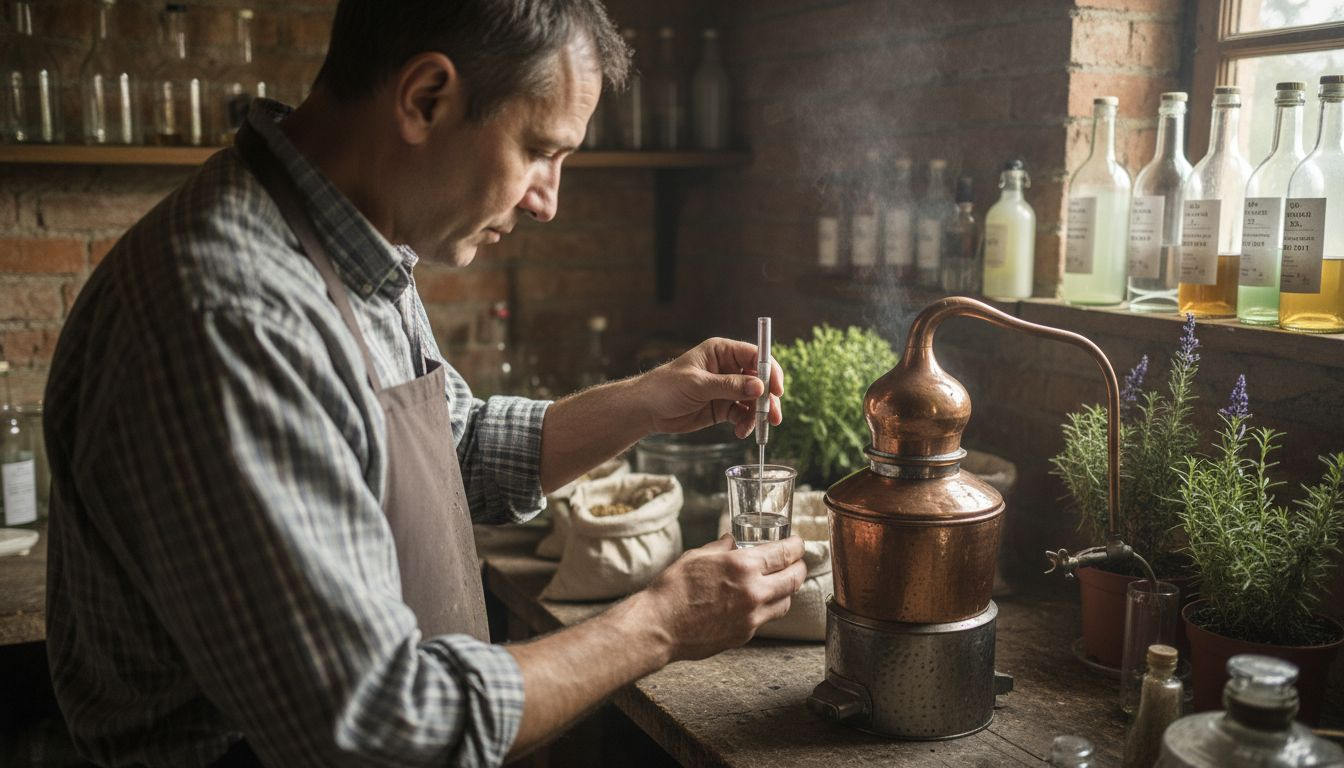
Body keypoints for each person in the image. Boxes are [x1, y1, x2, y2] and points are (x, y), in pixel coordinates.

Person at [41, 1, 805, 766]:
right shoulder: (231, 315)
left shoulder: (351, 242)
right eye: (540, 150)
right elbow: (378, 728)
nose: (548, 200)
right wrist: (662, 622)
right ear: (425, 100)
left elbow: (453, 454)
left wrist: (646, 403)